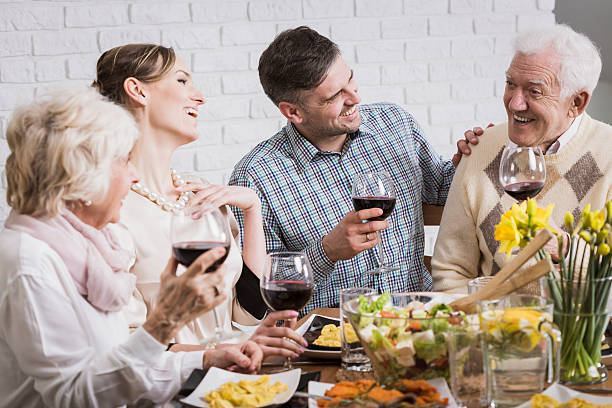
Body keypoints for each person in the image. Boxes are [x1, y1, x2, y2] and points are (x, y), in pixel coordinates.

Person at [0, 88, 264, 407]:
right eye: (125, 160)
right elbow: (73, 397)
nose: (135, 175)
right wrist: (163, 321)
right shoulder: (30, 262)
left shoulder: (89, 244)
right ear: (83, 178)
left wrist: (208, 360)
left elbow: (117, 367)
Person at [228, 26, 479, 314]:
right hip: (334, 337)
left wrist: (469, 162)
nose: (355, 98)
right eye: (335, 96)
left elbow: (439, 190)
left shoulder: (395, 125)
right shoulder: (256, 177)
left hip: (420, 320)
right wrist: (327, 252)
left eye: (350, 79)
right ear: (293, 112)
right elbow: (262, 297)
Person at [93, 44, 306, 356]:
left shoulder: (202, 194)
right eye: (182, 81)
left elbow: (248, 311)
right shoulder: (110, 212)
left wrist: (253, 209)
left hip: (234, 379)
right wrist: (214, 355)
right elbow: (123, 347)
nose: (200, 97)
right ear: (138, 90)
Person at [432, 24, 612, 292]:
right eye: (510, 84)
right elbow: (451, 272)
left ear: (577, 103)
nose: (514, 103)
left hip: (579, 331)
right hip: (493, 327)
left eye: (534, 91)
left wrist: (565, 249)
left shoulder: (608, 154)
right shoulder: (480, 150)